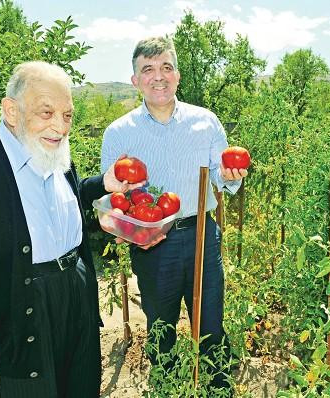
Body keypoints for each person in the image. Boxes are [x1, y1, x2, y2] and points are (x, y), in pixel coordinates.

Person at [0, 61, 144, 398]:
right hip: (21, 314)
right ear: (12, 111)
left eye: (67, 115)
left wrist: (103, 185)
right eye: (46, 112)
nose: (60, 126)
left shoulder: (53, 155)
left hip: (75, 301)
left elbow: (55, 207)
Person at [101, 36, 248, 391]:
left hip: (202, 235)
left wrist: (230, 178)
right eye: (148, 69)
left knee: (211, 322)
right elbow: (114, 198)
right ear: (135, 81)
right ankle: (166, 387)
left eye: (166, 67)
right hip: (152, 244)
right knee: (161, 326)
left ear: (177, 75)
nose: (159, 76)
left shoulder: (206, 121)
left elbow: (220, 177)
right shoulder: (118, 132)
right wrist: (128, 228)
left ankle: (217, 387)